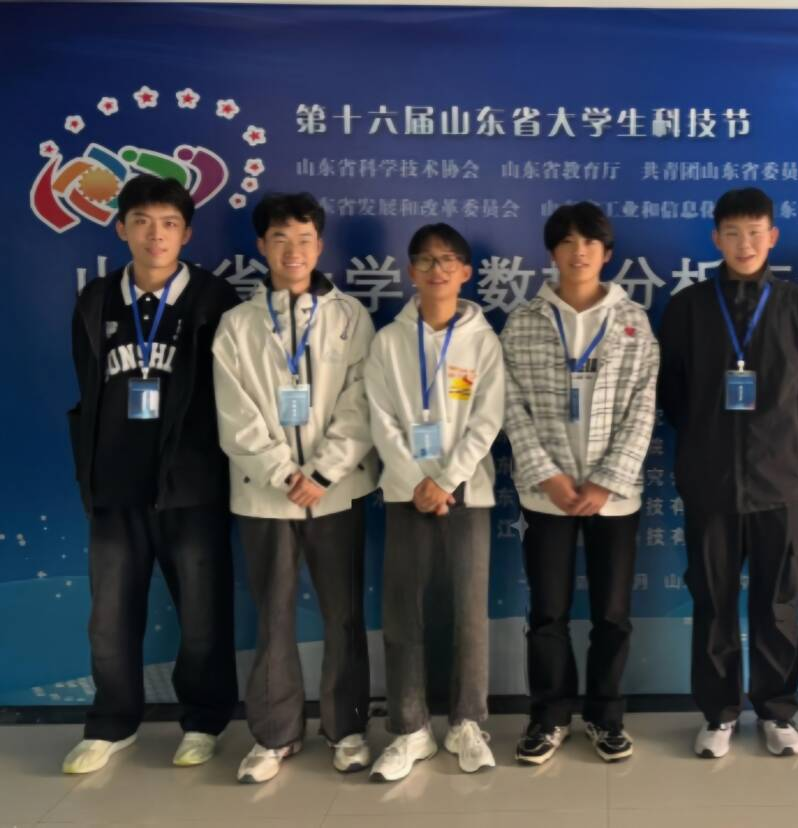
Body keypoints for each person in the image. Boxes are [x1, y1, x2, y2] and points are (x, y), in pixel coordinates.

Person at [63, 174, 239, 774]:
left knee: (203, 615)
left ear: (186, 233)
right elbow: (89, 387)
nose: (155, 235)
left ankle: (204, 720)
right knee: (109, 618)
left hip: (192, 485)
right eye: (141, 222)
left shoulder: (215, 300)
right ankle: (112, 724)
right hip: (115, 486)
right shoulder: (96, 300)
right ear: (121, 229)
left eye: (168, 224)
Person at [657, 187, 798, 759]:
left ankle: (777, 711)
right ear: (716, 238)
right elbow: (672, 392)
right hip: (709, 481)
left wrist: (781, 442)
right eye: (732, 233)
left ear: (772, 237)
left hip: (781, 481)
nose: (744, 244)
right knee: (713, 601)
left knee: (779, 603)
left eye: (755, 232)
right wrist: (708, 440)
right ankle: (719, 713)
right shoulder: (688, 307)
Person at [212, 193, 377, 783]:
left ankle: (347, 727)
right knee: (273, 614)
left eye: (305, 239)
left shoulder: (351, 317)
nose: (293, 250)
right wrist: (284, 472)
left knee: (343, 613)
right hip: (265, 493)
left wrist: (323, 471)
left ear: (320, 245)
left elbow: (363, 400)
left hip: (336, 490)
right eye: (280, 238)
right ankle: (274, 733)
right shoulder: (237, 324)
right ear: (262, 245)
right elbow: (235, 415)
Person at [502, 202, 658, 764]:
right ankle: (549, 717)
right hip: (546, 494)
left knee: (612, 616)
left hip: (613, 497)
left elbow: (644, 407)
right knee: (549, 614)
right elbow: (509, 405)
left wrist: (606, 481)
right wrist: (548, 475)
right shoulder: (524, 321)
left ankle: (605, 716)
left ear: (606, 252)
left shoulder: (633, 322)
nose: (579, 251)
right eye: (567, 241)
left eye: (590, 241)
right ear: (552, 252)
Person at [364, 223, 504, 779]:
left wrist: (445, 480)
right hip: (405, 494)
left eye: (448, 260)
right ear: (410, 271)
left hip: (467, 491)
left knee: (469, 612)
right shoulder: (388, 341)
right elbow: (381, 420)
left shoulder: (484, 342)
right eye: (425, 260)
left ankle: (467, 723)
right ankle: (410, 729)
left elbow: (487, 420)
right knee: (405, 613)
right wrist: (416, 480)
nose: (437, 270)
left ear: (465, 272)